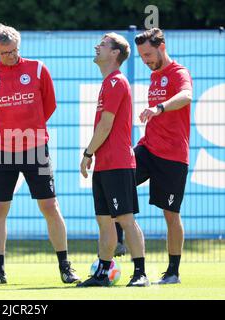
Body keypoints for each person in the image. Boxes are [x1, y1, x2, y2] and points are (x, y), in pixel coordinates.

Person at [0, 23, 80, 285]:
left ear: (18, 46)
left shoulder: (37, 69)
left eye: (13, 51)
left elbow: (49, 104)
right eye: (4, 53)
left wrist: (29, 128)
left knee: (49, 206)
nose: (10, 56)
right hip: (2, 149)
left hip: (36, 147)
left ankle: (65, 266)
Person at [77, 33, 149, 287]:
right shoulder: (107, 83)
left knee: (126, 220)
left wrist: (87, 154)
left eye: (103, 44)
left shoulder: (117, 82)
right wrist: (92, 157)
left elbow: (106, 125)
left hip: (118, 163)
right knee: (104, 221)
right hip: (105, 164)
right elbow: (104, 127)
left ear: (115, 53)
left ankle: (140, 273)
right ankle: (102, 273)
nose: (97, 46)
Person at [134, 28, 193, 285]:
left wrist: (159, 107)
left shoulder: (178, 73)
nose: (145, 60)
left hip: (173, 155)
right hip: (148, 148)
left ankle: (173, 272)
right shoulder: (154, 76)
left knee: (170, 214)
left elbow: (186, 96)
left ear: (162, 47)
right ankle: (120, 240)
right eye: (141, 56)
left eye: (148, 54)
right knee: (116, 179)